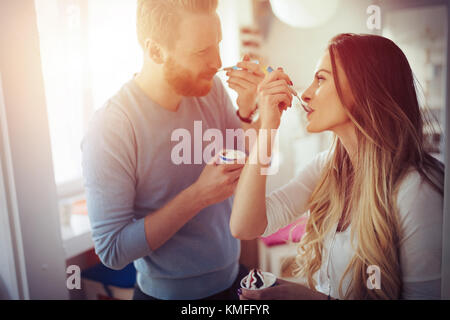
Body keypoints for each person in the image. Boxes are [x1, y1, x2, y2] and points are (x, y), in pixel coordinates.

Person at [230, 33, 444, 300]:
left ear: (365, 88)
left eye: (321, 79)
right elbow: (245, 225)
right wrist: (268, 126)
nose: (306, 94)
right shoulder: (327, 168)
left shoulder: (417, 190)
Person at [81, 0, 267, 300]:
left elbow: (240, 160)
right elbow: (112, 251)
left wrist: (247, 110)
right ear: (155, 51)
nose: (218, 62)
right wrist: (198, 196)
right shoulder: (111, 128)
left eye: (217, 44)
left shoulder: (211, 90)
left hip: (232, 283)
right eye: (201, 51)